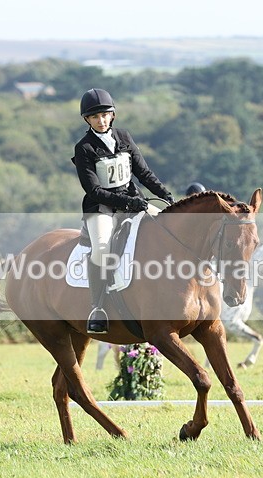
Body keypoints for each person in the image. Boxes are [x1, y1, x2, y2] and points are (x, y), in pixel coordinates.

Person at [73, 88, 175, 334]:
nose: (101, 120)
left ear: (112, 115)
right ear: (87, 120)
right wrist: (129, 204)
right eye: (95, 117)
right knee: (101, 248)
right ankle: (97, 307)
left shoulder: (124, 137)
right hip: (102, 209)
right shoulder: (84, 148)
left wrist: (165, 195)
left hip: (133, 200)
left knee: (167, 230)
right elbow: (93, 190)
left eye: (105, 115)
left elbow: (143, 173)